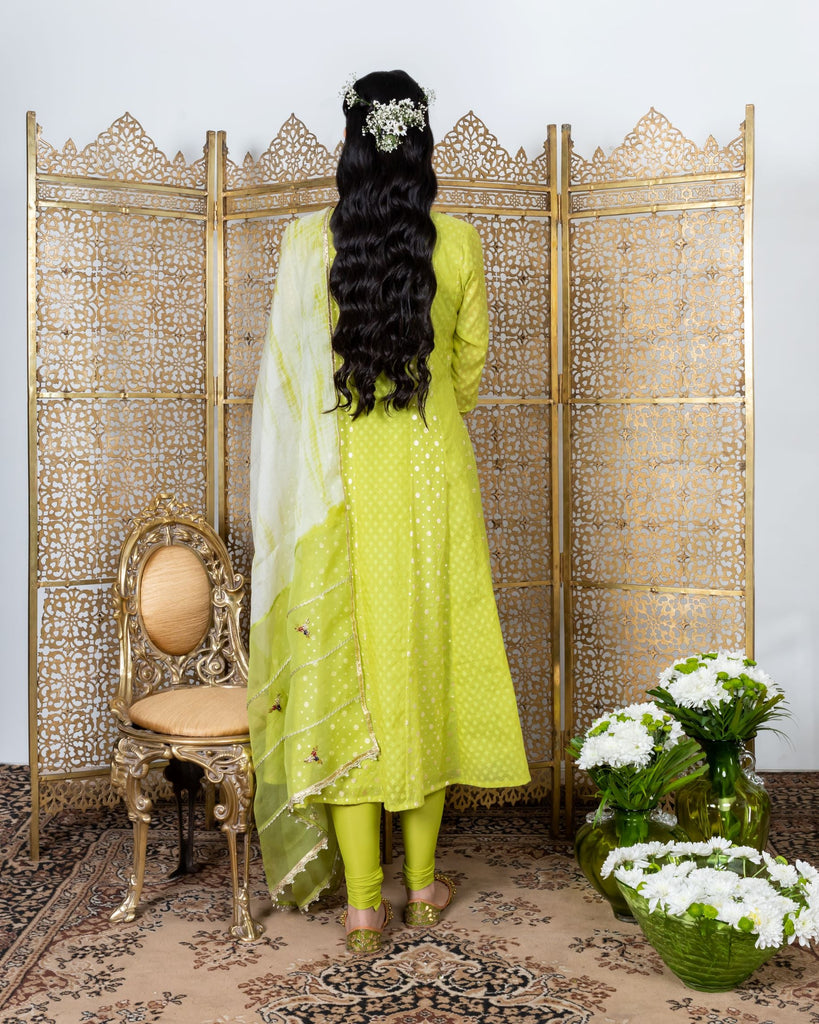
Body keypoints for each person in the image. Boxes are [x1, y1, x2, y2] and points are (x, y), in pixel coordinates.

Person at [248, 70, 530, 952]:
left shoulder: (304, 243)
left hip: (333, 491)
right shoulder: (459, 243)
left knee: (348, 681)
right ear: (421, 146)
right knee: (426, 670)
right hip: (434, 476)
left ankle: (363, 906)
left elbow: (287, 382)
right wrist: (429, 413)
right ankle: (422, 888)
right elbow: (469, 369)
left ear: (348, 145)